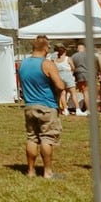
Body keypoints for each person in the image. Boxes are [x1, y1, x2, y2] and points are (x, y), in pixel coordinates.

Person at [18, 35, 65, 179]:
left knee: (32, 138)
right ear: (45, 48)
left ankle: (31, 171)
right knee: (47, 138)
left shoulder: (22, 64)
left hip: (29, 106)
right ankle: (48, 172)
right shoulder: (47, 64)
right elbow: (60, 85)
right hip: (46, 106)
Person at [53, 45, 80, 116]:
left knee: (62, 93)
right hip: (68, 76)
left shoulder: (55, 60)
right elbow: (73, 68)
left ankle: (65, 110)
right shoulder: (68, 58)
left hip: (60, 77)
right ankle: (77, 109)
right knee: (73, 93)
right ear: (64, 51)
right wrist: (72, 73)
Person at [70, 43, 89, 114]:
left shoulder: (73, 56)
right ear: (84, 48)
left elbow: (72, 67)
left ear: (78, 48)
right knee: (89, 92)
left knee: (85, 92)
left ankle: (88, 109)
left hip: (79, 74)